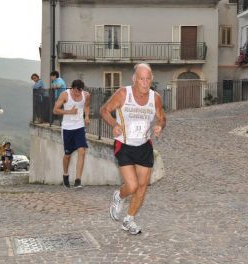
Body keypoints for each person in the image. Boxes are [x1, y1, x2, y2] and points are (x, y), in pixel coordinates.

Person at [100, 63, 166, 235]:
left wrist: (160, 125)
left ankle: (129, 219)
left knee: (142, 186)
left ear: (151, 79)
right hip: (125, 145)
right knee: (132, 185)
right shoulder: (123, 93)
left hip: (144, 145)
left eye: (148, 79)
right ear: (134, 79)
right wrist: (114, 124)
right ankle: (119, 196)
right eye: (141, 79)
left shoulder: (155, 97)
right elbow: (104, 111)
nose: (144, 83)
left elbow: (162, 117)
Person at [53, 79, 90, 188]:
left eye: (80, 91)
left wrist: (87, 116)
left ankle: (78, 180)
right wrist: (69, 112)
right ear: (72, 88)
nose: (78, 93)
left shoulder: (86, 95)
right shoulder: (65, 95)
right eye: (76, 91)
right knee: (68, 155)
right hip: (67, 128)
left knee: (82, 151)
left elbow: (87, 106)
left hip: (79, 126)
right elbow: (55, 110)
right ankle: (65, 174)